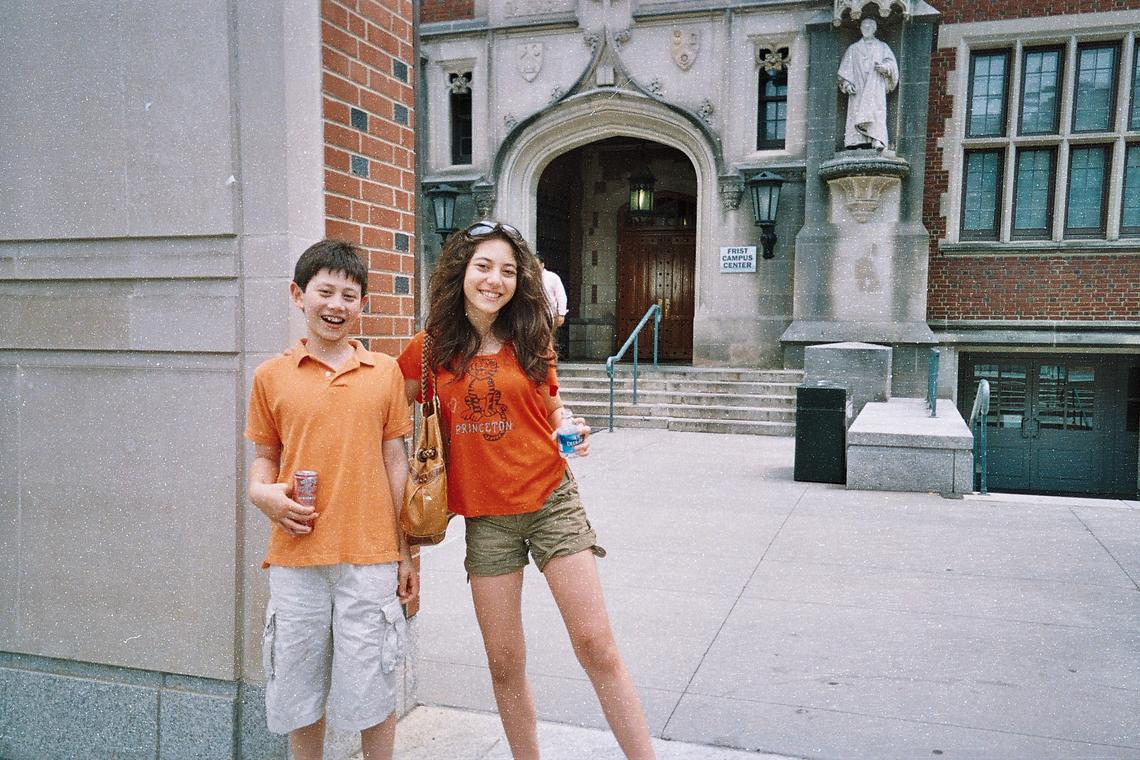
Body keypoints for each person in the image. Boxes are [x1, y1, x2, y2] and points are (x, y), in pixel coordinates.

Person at [397, 221, 656, 760]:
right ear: (461, 274)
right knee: (504, 661)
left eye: (509, 271)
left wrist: (572, 426)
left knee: (596, 645)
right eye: (484, 267)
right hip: (486, 521)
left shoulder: (530, 338)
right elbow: (388, 419)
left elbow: (552, 405)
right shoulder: (426, 352)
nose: (495, 280)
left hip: (550, 499)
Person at [245, 239, 418, 760]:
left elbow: (396, 462)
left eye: (349, 295)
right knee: (298, 691)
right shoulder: (270, 376)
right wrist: (260, 493)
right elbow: (265, 456)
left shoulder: (383, 372)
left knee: (372, 687)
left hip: (370, 557)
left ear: (362, 304)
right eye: (325, 292)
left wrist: (406, 553)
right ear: (298, 295)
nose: (336, 305)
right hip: (296, 558)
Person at [837, 17, 898, 150]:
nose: (866, 28)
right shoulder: (853, 49)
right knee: (857, 112)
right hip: (858, 88)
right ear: (860, 29)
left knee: (876, 112)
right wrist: (847, 84)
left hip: (875, 86)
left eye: (870, 26)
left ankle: (876, 139)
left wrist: (885, 68)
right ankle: (856, 142)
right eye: (864, 26)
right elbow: (843, 72)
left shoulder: (882, 47)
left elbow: (892, 65)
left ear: (875, 29)